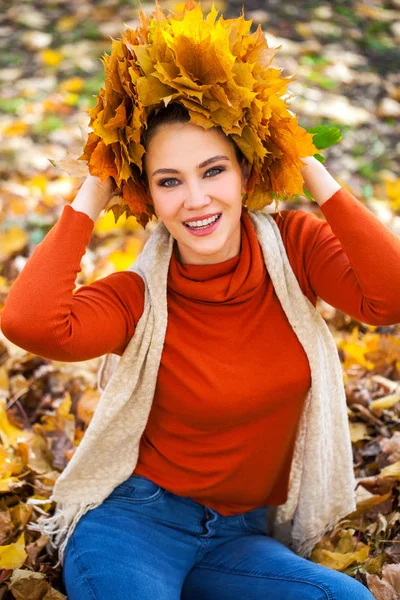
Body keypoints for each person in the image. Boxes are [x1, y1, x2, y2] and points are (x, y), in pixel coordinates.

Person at [2, 99, 398, 598]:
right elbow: (30, 323)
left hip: (240, 537)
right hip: (134, 526)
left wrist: (307, 164)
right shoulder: (138, 296)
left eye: (213, 171)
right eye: (169, 181)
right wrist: (95, 189)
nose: (195, 199)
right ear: (147, 194)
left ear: (246, 173)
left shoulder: (296, 250)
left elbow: (389, 297)